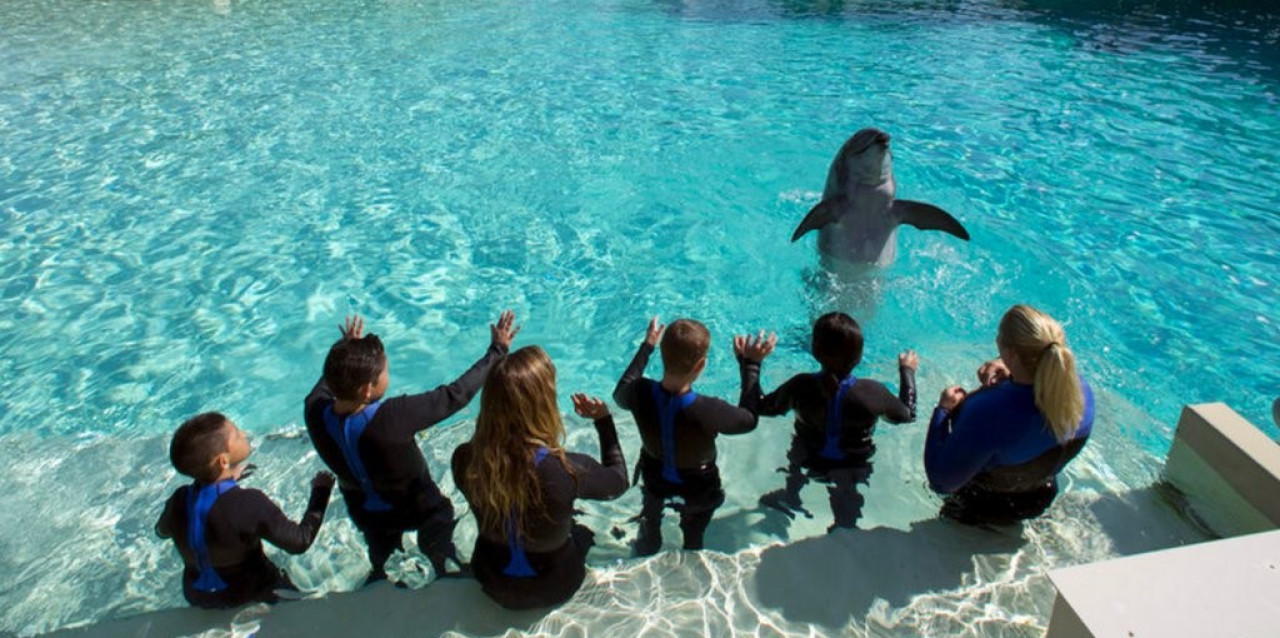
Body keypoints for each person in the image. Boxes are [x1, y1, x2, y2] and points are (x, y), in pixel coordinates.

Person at [303, 311, 518, 583]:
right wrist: (498, 350)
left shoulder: (314, 411)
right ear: (367, 390)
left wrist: (348, 352)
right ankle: (446, 570)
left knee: (381, 553)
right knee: (439, 539)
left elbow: (326, 384)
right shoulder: (393, 418)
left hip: (367, 514)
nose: (387, 375)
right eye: (384, 372)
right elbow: (456, 395)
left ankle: (381, 579)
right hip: (418, 506)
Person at [451, 346, 628, 609]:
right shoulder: (567, 469)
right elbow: (619, 482)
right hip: (554, 586)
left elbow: (513, 479)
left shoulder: (465, 459)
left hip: (490, 578)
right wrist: (604, 421)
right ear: (543, 404)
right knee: (583, 530)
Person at [743, 312, 917, 530]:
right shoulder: (873, 393)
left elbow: (758, 407)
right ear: (859, 355)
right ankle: (845, 525)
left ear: (815, 350)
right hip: (852, 465)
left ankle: (790, 496)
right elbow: (907, 415)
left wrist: (751, 364)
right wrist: (907, 371)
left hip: (807, 457)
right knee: (848, 492)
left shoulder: (801, 386)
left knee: (795, 467)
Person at [924, 304, 1095, 526]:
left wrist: (943, 411)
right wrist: (1009, 365)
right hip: (1040, 495)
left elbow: (941, 483)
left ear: (1012, 353)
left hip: (981, 507)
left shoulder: (987, 412)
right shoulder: (1079, 391)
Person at [613, 317, 769, 556]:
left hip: (654, 473)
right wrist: (750, 365)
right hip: (699, 484)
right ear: (701, 365)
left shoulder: (639, 392)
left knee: (651, 515)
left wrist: (647, 346)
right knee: (694, 529)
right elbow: (749, 418)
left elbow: (620, 390)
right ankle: (691, 553)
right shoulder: (709, 410)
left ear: (662, 356)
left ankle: (648, 545)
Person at [156, 412, 335, 608]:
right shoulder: (250, 503)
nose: (243, 433)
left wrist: (228, 479)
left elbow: (161, 532)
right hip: (249, 592)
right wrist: (321, 491)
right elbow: (299, 541)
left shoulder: (178, 500)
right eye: (236, 434)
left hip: (197, 594)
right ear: (223, 461)